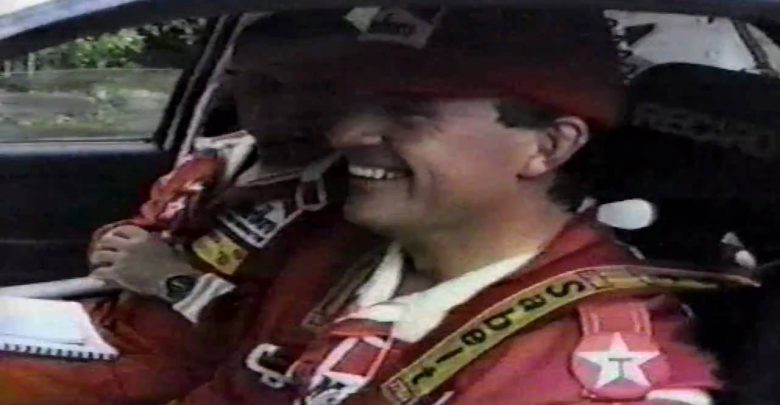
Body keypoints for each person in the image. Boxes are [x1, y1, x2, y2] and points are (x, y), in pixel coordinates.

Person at [171, 7, 733, 405]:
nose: (344, 134)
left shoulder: (587, 371)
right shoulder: (327, 252)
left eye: (408, 113)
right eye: (353, 104)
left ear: (547, 146)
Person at [0, 11, 368, 405]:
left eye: (318, 88)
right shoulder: (213, 160)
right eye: (267, 85)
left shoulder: (342, 211)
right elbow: (147, 227)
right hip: (101, 327)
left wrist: (174, 281)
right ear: (235, 84)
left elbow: (271, 349)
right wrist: (116, 244)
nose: (292, 105)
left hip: (167, 371)